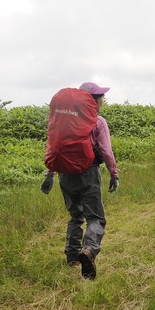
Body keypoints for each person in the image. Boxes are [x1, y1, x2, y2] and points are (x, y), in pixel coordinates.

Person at [40, 82, 119, 280]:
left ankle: (72, 256)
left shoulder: (64, 121)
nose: (102, 100)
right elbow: (106, 151)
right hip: (88, 173)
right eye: (100, 96)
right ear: (92, 101)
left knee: (76, 216)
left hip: (64, 175)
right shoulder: (98, 121)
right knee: (95, 218)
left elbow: (54, 148)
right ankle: (89, 250)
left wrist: (50, 175)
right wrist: (114, 174)